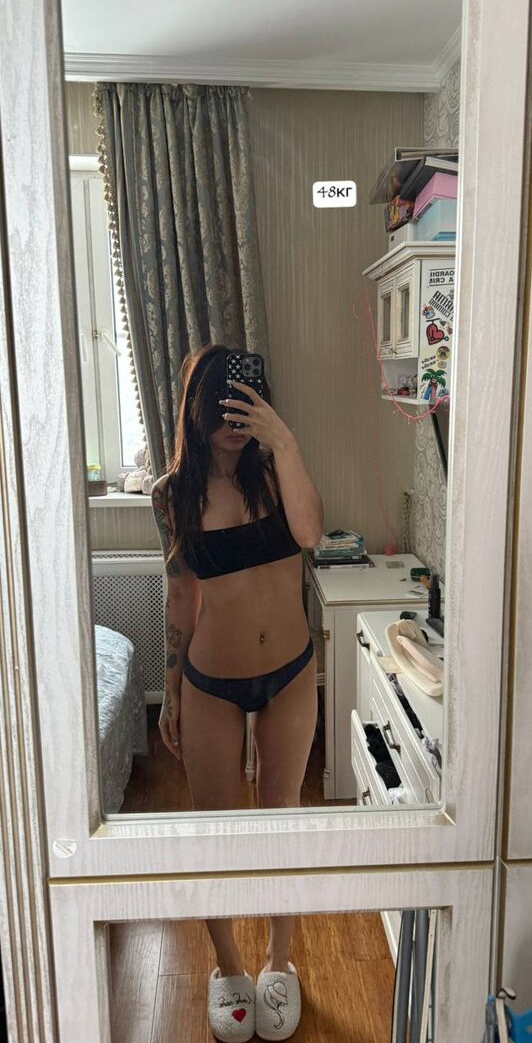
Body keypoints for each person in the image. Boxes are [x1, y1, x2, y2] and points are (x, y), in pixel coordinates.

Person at [151, 343, 323, 1043]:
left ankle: (280, 960)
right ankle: (227, 967)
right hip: (211, 684)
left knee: (281, 822)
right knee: (214, 832)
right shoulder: (173, 495)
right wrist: (170, 687)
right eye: (218, 400)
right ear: (196, 408)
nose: (231, 416)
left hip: (290, 675)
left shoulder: (277, 471)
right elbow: (181, 594)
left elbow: (311, 533)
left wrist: (284, 440)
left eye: (243, 398)